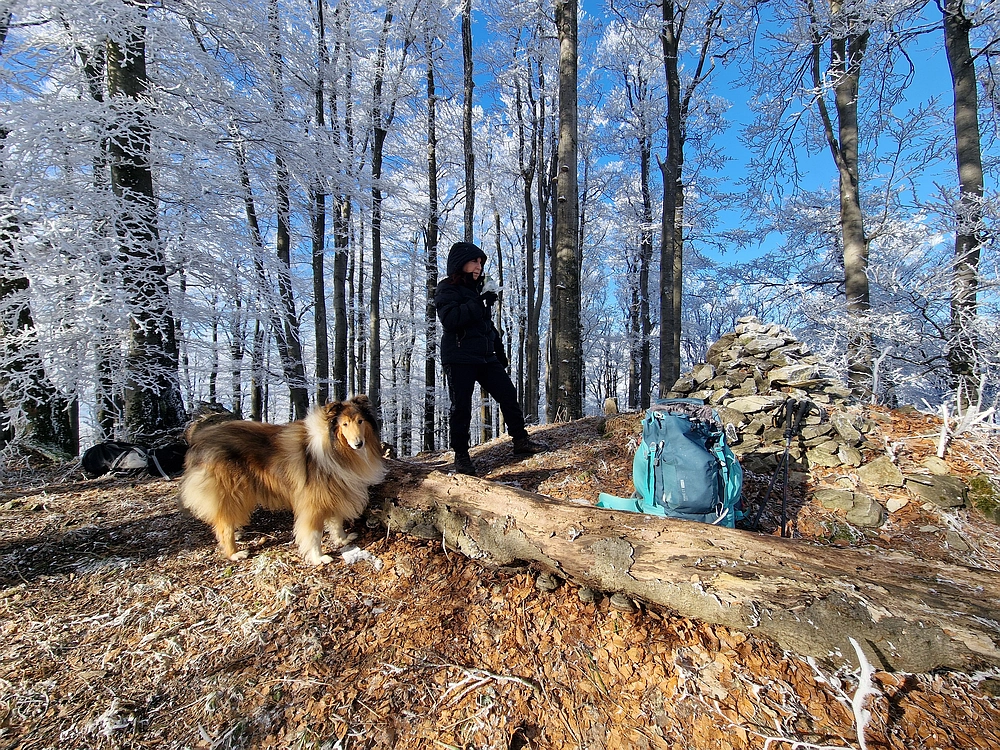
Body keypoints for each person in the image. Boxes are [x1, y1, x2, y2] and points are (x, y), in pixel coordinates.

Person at [435, 241, 545, 476]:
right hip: (459, 356)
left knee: (507, 393)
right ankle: (462, 457)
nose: (479, 266)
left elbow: (486, 326)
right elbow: (451, 320)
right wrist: (479, 302)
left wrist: (499, 351)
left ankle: (521, 441)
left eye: (481, 262)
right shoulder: (446, 289)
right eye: (474, 261)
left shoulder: (479, 290)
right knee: (461, 407)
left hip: (485, 356)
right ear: (460, 263)